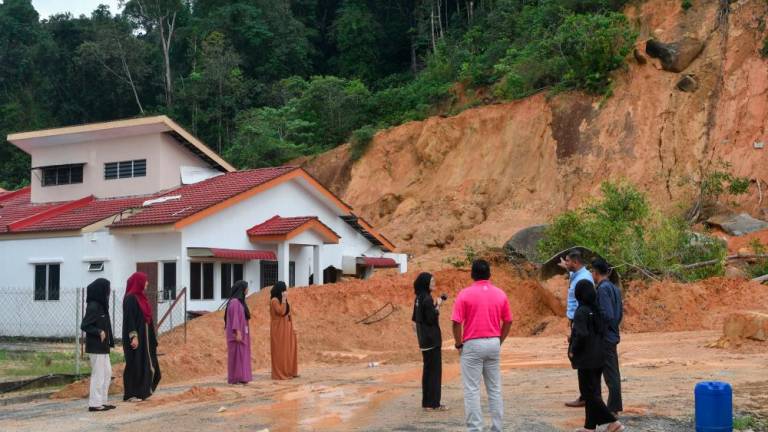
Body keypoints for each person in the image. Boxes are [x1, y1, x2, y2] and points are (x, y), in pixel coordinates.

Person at [451, 260, 513, 432]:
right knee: (494, 388)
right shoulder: (500, 294)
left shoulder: (464, 294)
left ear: (472, 275)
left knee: (472, 389)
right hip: (493, 341)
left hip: (472, 343)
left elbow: (456, 323)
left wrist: (458, 344)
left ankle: (475, 429)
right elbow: (508, 320)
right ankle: (497, 428)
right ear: (489, 275)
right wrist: (499, 340)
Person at [568, 280, 624, 432]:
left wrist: (573, 348)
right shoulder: (597, 310)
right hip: (599, 355)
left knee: (589, 394)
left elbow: (581, 334)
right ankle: (589, 427)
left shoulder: (581, 312)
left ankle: (613, 422)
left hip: (586, 358)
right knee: (593, 392)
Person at [559, 249, 593, 408]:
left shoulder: (584, 279)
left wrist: (575, 325)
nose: (566, 263)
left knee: (579, 356)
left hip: (580, 321)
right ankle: (585, 395)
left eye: (567, 261)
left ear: (576, 262)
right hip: (576, 320)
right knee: (579, 358)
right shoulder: (578, 275)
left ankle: (587, 396)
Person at [122, 272, 161, 401]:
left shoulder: (141, 298)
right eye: (145, 281)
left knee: (146, 363)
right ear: (138, 282)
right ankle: (131, 394)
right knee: (135, 363)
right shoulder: (130, 298)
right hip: (136, 337)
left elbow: (147, 318)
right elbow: (129, 320)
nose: (147, 283)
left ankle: (143, 391)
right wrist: (134, 336)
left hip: (146, 337)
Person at [592, 258, 624, 415]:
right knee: (612, 373)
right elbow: (618, 315)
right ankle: (613, 407)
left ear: (596, 273)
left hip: (605, 337)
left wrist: (599, 330)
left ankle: (613, 409)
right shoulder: (615, 288)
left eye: (592, 272)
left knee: (611, 375)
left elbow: (607, 315)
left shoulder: (603, 289)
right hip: (612, 334)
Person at [412, 272, 447, 411]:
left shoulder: (418, 298)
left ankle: (426, 403)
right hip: (432, 340)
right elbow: (432, 319)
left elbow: (415, 319)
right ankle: (434, 404)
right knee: (434, 373)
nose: (434, 284)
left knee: (427, 372)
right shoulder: (427, 299)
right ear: (425, 283)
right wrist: (438, 305)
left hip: (424, 340)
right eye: (431, 281)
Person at [80, 278, 115, 412]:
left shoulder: (102, 306)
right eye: (107, 288)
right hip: (96, 347)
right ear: (101, 289)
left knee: (107, 373)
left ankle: (103, 401)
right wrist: (98, 331)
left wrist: (110, 341)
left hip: (103, 347)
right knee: (98, 375)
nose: (109, 291)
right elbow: (84, 325)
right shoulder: (94, 306)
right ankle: (94, 404)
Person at [225, 280, 252, 385]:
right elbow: (235, 318)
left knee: (241, 355)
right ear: (242, 289)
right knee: (237, 356)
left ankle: (242, 377)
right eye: (247, 287)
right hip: (237, 335)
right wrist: (237, 332)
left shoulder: (240, 302)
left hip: (242, 334)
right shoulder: (235, 302)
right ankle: (236, 378)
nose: (248, 289)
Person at [270, 281, 298, 380]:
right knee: (280, 351)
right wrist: (284, 299)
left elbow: (288, 314)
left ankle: (289, 371)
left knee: (289, 349)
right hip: (279, 330)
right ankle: (280, 373)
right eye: (284, 290)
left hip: (286, 328)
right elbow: (281, 312)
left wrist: (292, 327)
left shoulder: (282, 300)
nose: (285, 292)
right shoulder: (274, 300)